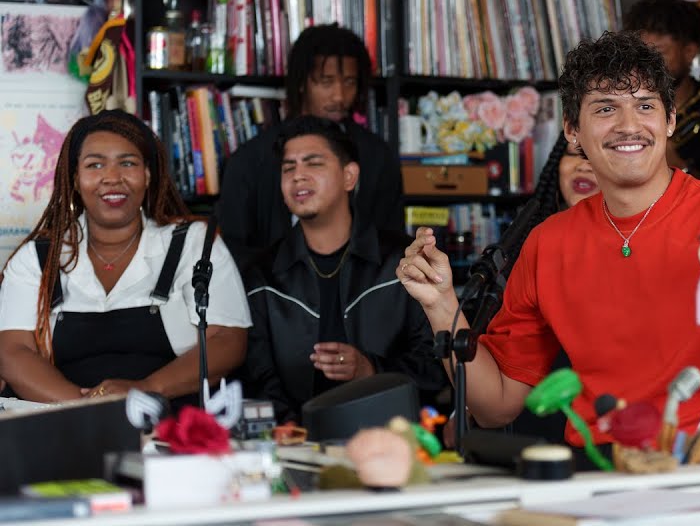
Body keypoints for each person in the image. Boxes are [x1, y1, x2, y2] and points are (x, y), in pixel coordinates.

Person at [399, 31, 700, 461]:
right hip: (601, 482)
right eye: (606, 108)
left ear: (670, 120)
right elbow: (497, 406)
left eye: (645, 105)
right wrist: (442, 306)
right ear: (572, 131)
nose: (629, 124)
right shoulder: (548, 243)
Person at [0, 110, 251, 403]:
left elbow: (228, 341)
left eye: (127, 163)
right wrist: (90, 410)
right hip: (66, 425)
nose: (112, 178)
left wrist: (143, 390)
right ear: (76, 180)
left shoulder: (194, 243)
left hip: (175, 429)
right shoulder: (38, 256)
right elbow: (12, 351)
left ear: (147, 175)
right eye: (95, 165)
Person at [241, 117, 445, 422]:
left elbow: (437, 367)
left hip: (394, 437)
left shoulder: (403, 262)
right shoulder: (262, 274)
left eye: (313, 164)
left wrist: (370, 370)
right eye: (288, 168)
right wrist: (294, 434)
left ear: (349, 176)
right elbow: (259, 379)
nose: (298, 176)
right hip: (297, 443)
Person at [218, 24, 404, 267]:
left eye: (349, 82)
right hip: (272, 297)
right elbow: (234, 250)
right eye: (326, 82)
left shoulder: (377, 156)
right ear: (302, 83)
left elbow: (392, 244)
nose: (339, 96)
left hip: (362, 297)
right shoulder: (251, 159)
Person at [625, 0, 700, 180]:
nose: (647, 63)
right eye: (640, 53)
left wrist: (679, 167)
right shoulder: (621, 107)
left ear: (690, 52)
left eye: (659, 52)